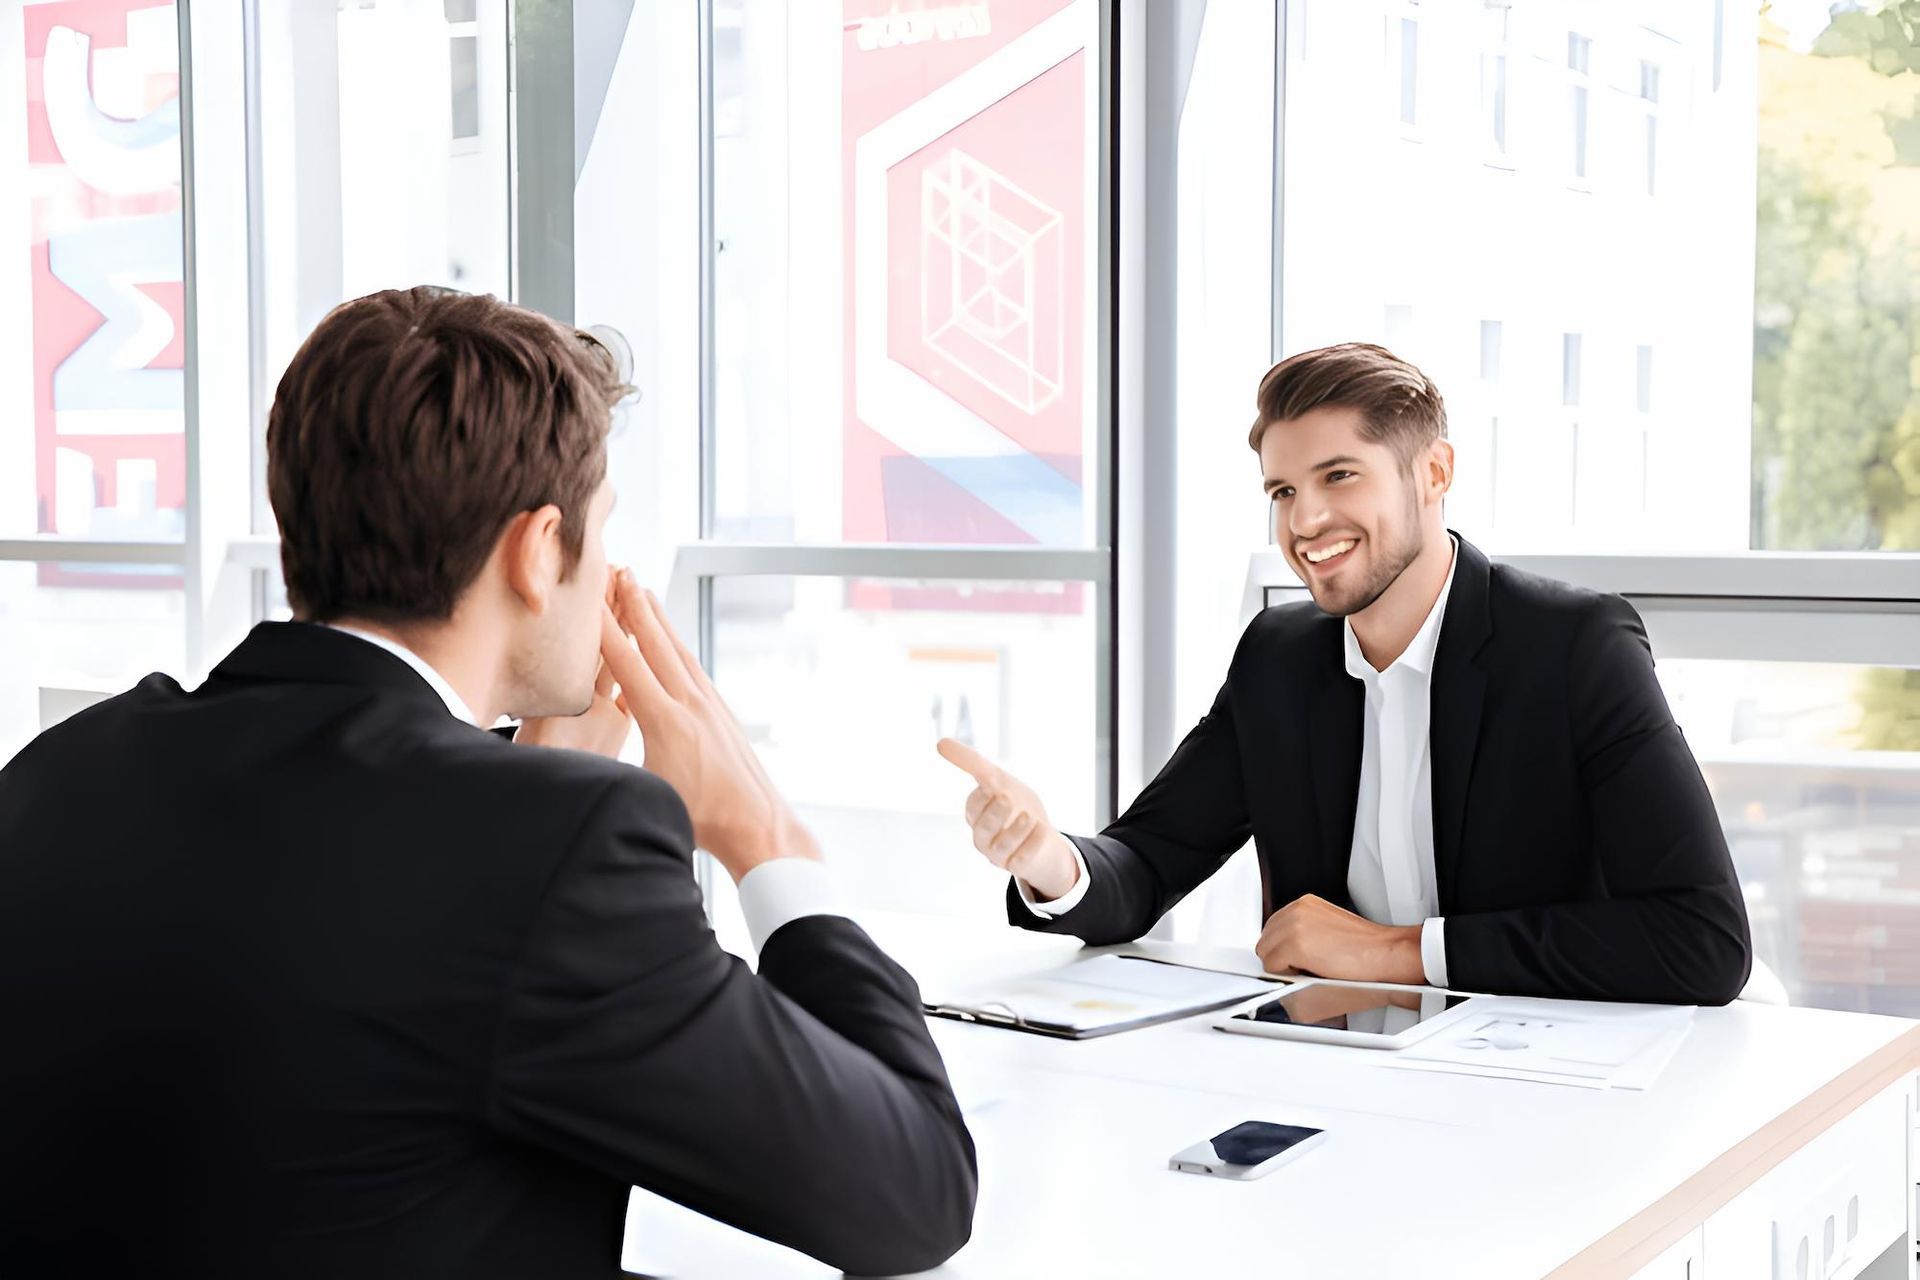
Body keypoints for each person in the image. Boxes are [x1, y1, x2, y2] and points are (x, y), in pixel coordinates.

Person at [0, 287, 975, 1279]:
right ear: (538, 549)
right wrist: (765, 838)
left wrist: (526, 799)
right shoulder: (558, 848)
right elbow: (916, 1192)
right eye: (599, 531)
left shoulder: (65, 765)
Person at [940, 342, 1752, 1006]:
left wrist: (1395, 953)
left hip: (1537, 1092)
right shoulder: (1278, 659)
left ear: (1434, 473)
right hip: (1332, 1077)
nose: (1305, 522)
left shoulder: (1574, 647)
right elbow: (1149, 863)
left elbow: (1702, 939)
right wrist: (1048, 859)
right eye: (1283, 490)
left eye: (1339, 477)